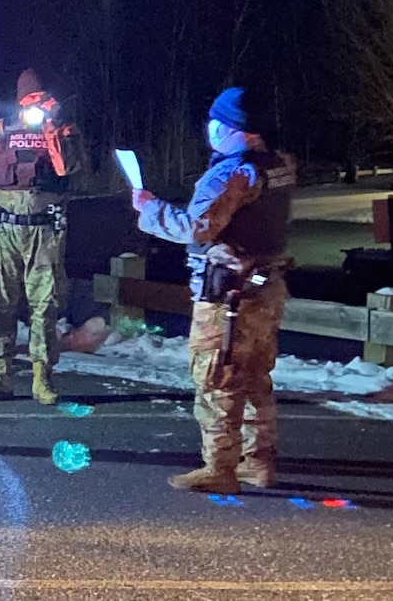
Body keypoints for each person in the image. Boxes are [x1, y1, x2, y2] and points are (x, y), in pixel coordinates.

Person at [132, 86, 298, 494]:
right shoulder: (281, 165)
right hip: (266, 286)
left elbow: (198, 226)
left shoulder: (232, 173)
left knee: (217, 377)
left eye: (215, 124)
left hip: (229, 295)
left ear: (231, 128)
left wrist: (149, 208)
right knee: (257, 377)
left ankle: (220, 468)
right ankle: (258, 462)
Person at [0, 69, 81, 405]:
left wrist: (52, 133)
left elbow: (69, 168)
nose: (35, 106)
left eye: (41, 100)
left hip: (45, 231)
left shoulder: (64, 131)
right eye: (29, 101)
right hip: (4, 229)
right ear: (19, 102)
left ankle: (42, 377)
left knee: (45, 303)